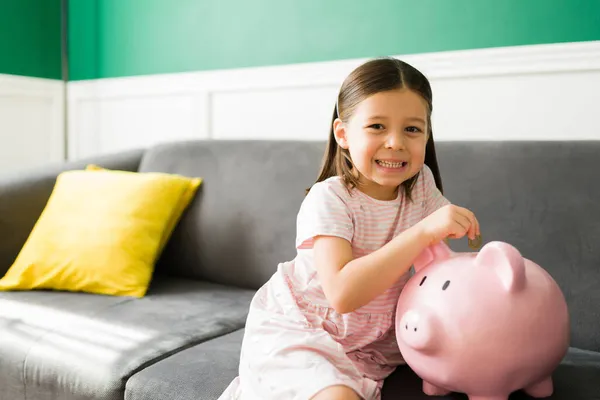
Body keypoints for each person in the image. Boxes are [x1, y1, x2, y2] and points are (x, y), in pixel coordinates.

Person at [218, 57, 481, 400]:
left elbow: (443, 260)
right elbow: (342, 293)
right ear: (343, 134)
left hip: (370, 346)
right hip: (301, 329)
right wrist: (421, 233)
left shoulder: (421, 188)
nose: (395, 143)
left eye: (412, 129)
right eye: (377, 127)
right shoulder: (330, 198)